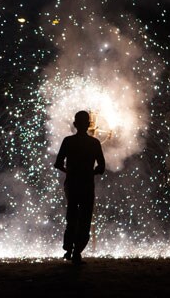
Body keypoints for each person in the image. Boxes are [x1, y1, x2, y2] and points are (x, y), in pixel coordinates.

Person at [54, 110, 106, 264]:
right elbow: (101, 167)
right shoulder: (94, 143)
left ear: (75, 124)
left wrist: (69, 171)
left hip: (71, 184)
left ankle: (68, 249)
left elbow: (58, 163)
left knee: (71, 217)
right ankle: (77, 251)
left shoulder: (68, 141)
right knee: (84, 219)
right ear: (89, 125)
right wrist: (90, 173)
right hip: (87, 185)